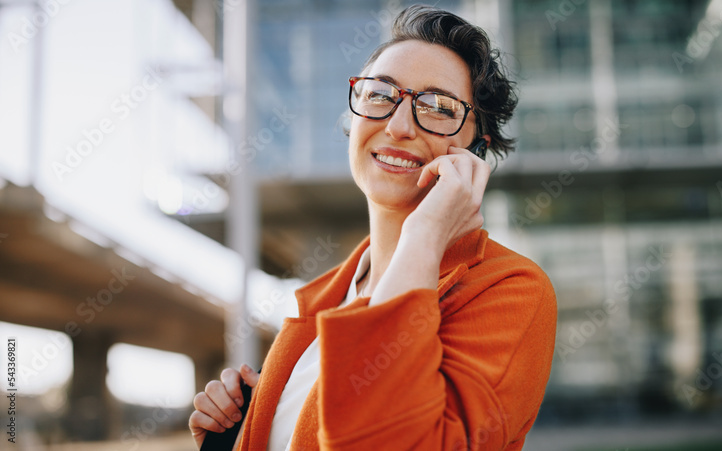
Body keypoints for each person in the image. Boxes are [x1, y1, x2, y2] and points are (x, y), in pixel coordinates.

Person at [188, 5, 557, 450]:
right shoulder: (325, 295)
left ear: (478, 146)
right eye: (381, 95)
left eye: (438, 106)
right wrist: (238, 435)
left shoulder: (509, 289)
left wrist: (423, 235)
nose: (399, 126)